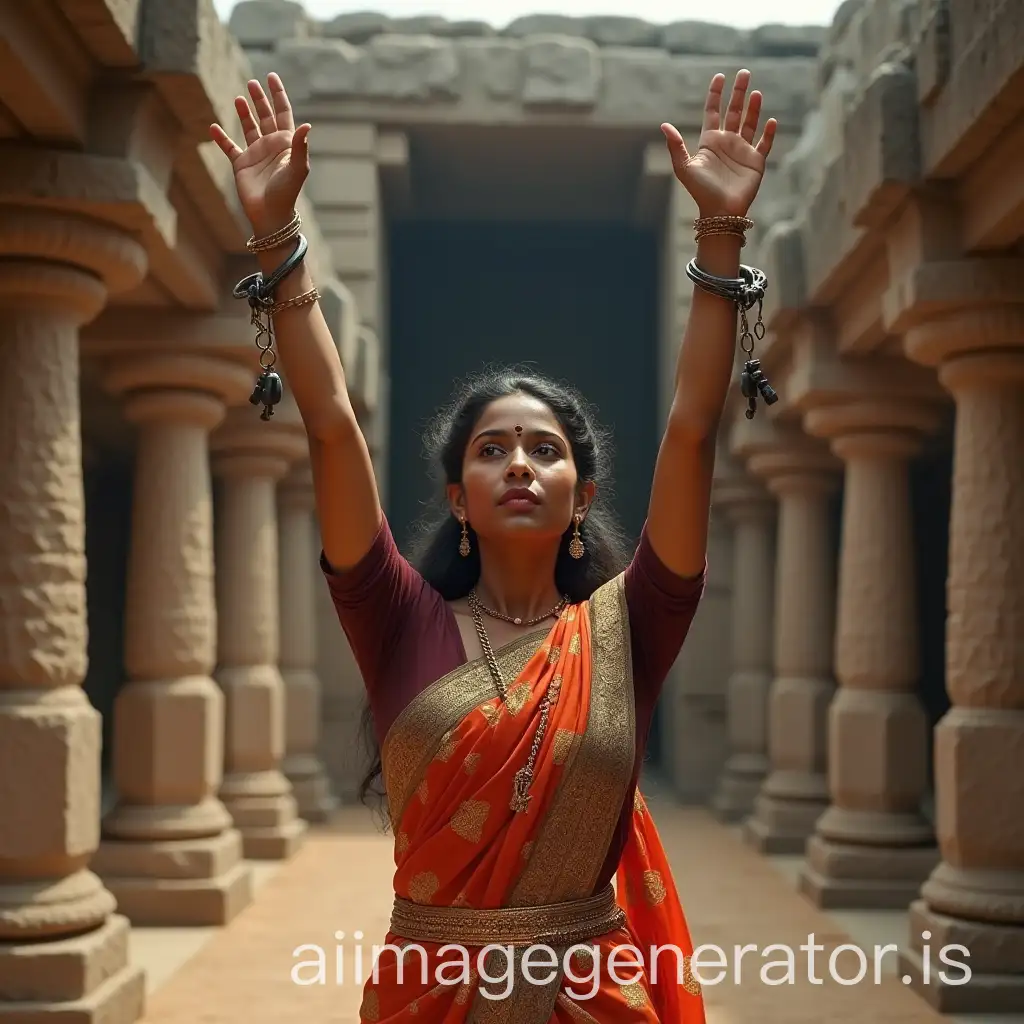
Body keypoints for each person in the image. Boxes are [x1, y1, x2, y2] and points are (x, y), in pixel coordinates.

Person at [211, 66, 776, 1024]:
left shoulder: (631, 629)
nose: (519, 463)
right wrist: (278, 242)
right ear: (458, 497)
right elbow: (334, 426)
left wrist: (719, 233)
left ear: (582, 495)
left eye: (545, 450)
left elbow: (691, 430)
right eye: (492, 448)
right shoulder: (394, 619)